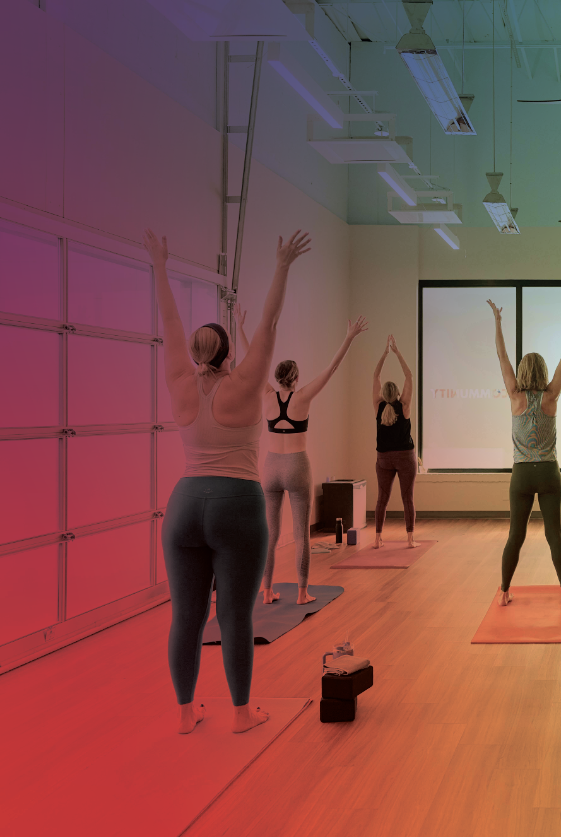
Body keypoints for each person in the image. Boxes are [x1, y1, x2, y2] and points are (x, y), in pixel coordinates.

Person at [146, 227, 310, 735]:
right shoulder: (242, 386)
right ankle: (241, 713)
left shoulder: (178, 380)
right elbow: (269, 321)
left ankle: (184, 713)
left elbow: (169, 323)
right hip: (236, 503)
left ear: (198, 354)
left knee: (187, 618)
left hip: (184, 504)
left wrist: (159, 265)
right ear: (226, 355)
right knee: (235, 617)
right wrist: (281, 264)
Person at [235, 308, 368, 605]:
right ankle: (302, 592)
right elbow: (331, 369)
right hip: (296, 465)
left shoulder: (267, 396)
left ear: (277, 378)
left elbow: (252, 363)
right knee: (300, 535)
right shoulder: (303, 397)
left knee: (270, 534)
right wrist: (348, 338)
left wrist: (240, 328)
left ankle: (267, 592)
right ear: (295, 379)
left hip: (270, 467)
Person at [487, 297, 561, 608]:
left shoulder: (515, 397)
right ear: (542, 371)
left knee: (516, 536)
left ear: (522, 372)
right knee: (555, 535)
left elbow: (501, 356)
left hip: (522, 474)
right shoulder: (551, 397)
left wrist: (499, 323)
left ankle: (504, 593)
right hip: (549, 473)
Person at [373, 334, 418, 549]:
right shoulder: (405, 406)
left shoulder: (378, 407)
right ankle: (410, 539)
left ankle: (377, 538)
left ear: (382, 394)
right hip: (405, 457)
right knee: (407, 498)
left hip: (383, 459)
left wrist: (384, 354)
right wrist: (397, 352)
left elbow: (375, 375)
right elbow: (409, 375)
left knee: (382, 498)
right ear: (398, 393)